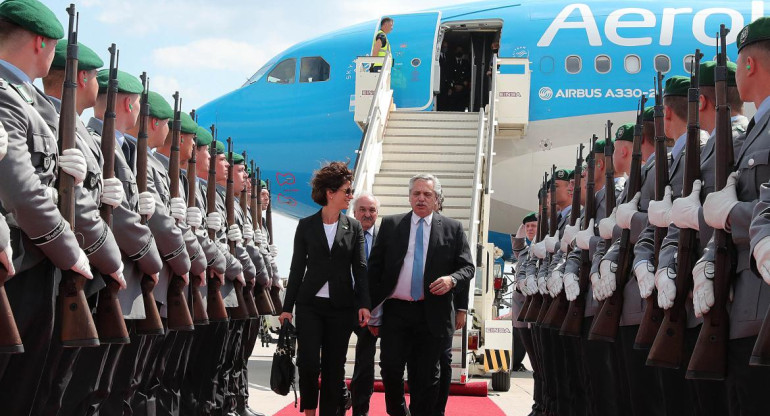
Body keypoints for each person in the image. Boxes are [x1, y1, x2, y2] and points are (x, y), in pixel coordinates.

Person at [0, 2, 103, 412]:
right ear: (42, 42)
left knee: (35, 389)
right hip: (22, 262)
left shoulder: (31, 102)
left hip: (38, 262)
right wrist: (74, 251)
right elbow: (24, 192)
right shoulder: (9, 97)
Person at [701, 17, 770, 414]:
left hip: (761, 313)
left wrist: (730, 215)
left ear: (748, 65)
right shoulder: (753, 134)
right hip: (741, 308)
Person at [367, 173, 474, 416]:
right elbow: (374, 269)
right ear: (409, 197)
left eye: (427, 194)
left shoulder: (452, 228)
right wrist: (371, 309)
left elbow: (467, 267)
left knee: (425, 376)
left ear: (436, 199)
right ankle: (397, 411)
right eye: (416, 193)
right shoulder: (391, 225)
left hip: (431, 313)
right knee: (390, 369)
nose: (421, 198)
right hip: (397, 311)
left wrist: (452, 280)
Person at [279, 161, 371, 416]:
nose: (350, 196)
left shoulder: (353, 228)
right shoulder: (306, 226)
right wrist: (287, 309)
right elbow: (297, 269)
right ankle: (309, 410)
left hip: (341, 308)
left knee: (334, 366)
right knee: (309, 363)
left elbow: (360, 268)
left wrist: (364, 304)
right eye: (347, 191)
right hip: (310, 306)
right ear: (331, 193)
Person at [349, 192, 380, 416]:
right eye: (363, 210)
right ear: (354, 212)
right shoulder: (343, 234)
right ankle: (341, 399)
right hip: (343, 306)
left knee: (365, 364)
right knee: (333, 359)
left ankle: (361, 410)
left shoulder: (386, 238)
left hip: (374, 309)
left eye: (372, 210)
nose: (367, 215)